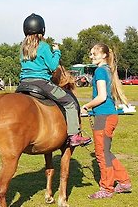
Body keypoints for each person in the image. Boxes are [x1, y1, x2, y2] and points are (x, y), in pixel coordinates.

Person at [19, 13, 91, 147]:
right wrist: (57, 51)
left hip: (23, 84)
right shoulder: (44, 46)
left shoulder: (22, 47)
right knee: (70, 102)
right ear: (42, 29)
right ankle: (74, 136)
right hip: (41, 83)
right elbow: (52, 66)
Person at [81, 43, 132, 199]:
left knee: (101, 154)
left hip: (104, 117)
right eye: (90, 54)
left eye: (94, 53)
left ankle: (107, 188)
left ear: (104, 55)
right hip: (109, 115)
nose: (91, 56)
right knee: (106, 152)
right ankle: (124, 182)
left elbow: (101, 96)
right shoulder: (107, 70)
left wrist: (86, 106)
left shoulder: (100, 71)